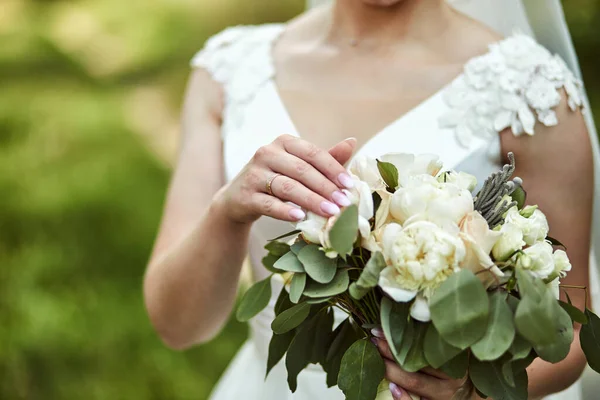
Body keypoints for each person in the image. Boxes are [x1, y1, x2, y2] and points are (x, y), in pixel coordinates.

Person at [143, 0, 600, 399]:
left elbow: (570, 332)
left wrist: (470, 392)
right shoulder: (228, 71)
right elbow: (178, 326)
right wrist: (227, 214)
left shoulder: (532, 94)